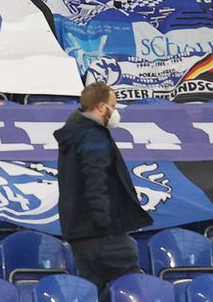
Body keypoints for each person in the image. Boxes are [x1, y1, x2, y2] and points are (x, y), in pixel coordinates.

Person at [55, 81, 153, 296]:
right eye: (114, 106)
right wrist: (105, 224)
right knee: (131, 286)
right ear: (101, 107)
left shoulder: (73, 133)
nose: (115, 111)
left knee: (95, 290)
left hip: (80, 234)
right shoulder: (93, 136)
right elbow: (95, 182)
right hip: (103, 233)